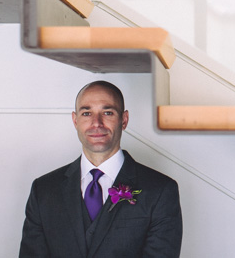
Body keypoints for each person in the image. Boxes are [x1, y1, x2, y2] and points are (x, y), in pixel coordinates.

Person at [19, 81, 183, 257]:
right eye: (87, 113)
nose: (96, 123)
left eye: (107, 112)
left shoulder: (161, 190)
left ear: (124, 120)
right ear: (75, 120)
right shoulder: (43, 190)